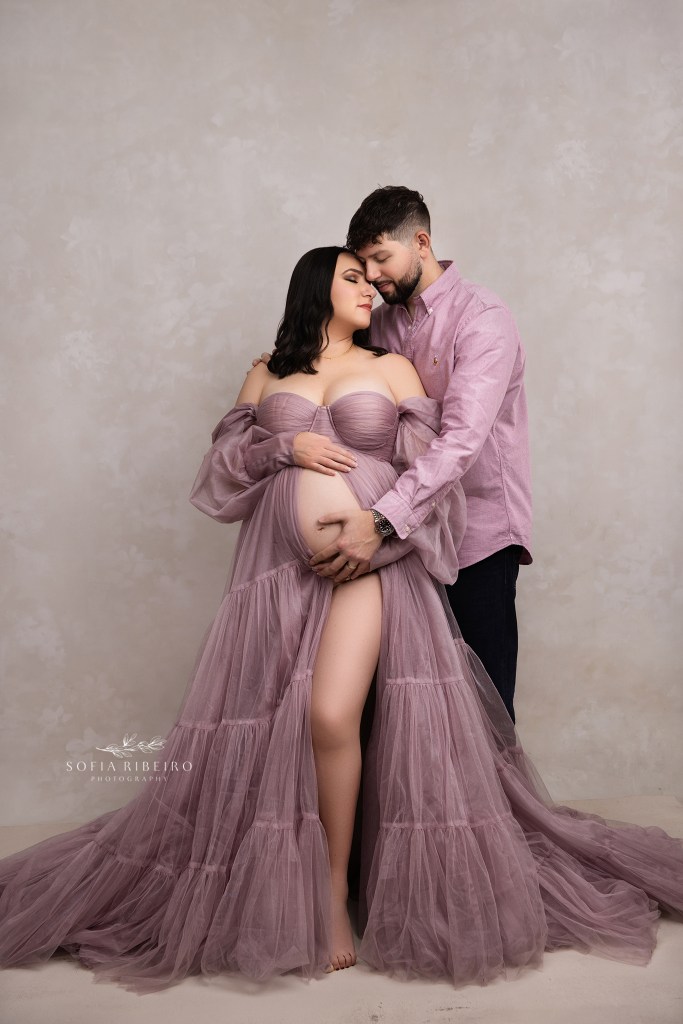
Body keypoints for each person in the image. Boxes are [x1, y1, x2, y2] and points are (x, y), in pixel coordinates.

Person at [1, 248, 682, 996]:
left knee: (330, 716)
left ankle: (329, 892)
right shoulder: (266, 372)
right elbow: (222, 469)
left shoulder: (392, 371)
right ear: (314, 287)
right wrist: (279, 443)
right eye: (353, 277)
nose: (371, 289)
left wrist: (382, 542)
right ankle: (313, 890)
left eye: (373, 274)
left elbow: (439, 485)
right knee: (270, 720)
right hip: (272, 573)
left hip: (368, 564)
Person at [308, 187, 531, 724]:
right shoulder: (377, 322)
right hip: (397, 543)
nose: (374, 276)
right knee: (398, 707)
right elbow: (340, 380)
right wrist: (287, 363)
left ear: (422, 243)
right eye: (364, 265)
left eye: (382, 258)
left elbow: (460, 440)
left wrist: (381, 521)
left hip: (475, 535)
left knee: (482, 712)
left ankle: (489, 811)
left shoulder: (483, 317)